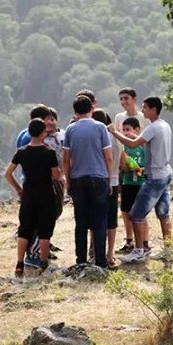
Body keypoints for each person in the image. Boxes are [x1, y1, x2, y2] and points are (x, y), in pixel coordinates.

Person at [109, 96, 172, 264]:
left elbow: (133, 144)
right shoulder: (165, 125)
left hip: (154, 177)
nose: (142, 111)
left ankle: (138, 250)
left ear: (153, 109)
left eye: (144, 108)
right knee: (163, 214)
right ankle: (169, 249)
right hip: (165, 173)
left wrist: (114, 132)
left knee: (136, 215)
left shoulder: (153, 128)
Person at [62, 95, 115, 268]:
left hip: (78, 178)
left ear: (75, 112)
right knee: (100, 221)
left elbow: (66, 159)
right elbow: (108, 157)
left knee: (81, 221)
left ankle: (81, 260)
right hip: (99, 178)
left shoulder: (70, 129)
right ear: (92, 108)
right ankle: (100, 261)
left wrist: (68, 180)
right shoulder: (100, 127)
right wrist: (109, 179)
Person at [3, 118, 61, 277]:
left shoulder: (21, 152)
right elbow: (56, 175)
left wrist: (18, 189)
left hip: (28, 194)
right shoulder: (49, 152)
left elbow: (7, 174)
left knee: (25, 229)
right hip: (46, 194)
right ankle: (43, 263)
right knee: (45, 231)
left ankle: (20, 263)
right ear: (43, 133)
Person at [14, 105, 65, 266]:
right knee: (43, 223)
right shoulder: (46, 149)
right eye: (47, 120)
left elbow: (9, 171)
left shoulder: (23, 141)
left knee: (27, 224)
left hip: (29, 186)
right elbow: (54, 173)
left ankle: (22, 260)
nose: (50, 123)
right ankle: (36, 254)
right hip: (46, 186)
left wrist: (18, 188)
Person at [92, 108, 120, 266]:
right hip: (115, 181)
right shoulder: (116, 137)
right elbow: (122, 161)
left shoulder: (99, 136)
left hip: (102, 181)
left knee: (97, 219)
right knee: (111, 220)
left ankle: (97, 254)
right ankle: (110, 254)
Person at [113, 88, 140, 252]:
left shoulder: (143, 118)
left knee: (140, 207)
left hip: (139, 164)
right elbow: (117, 139)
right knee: (125, 206)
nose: (124, 102)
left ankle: (142, 241)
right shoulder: (119, 118)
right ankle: (129, 239)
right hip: (123, 165)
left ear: (134, 99)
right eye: (121, 99)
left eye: (126, 98)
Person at [118, 116, 146, 253]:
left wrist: (139, 168)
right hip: (127, 183)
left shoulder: (143, 147)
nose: (125, 132)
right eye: (123, 130)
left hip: (140, 184)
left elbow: (147, 166)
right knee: (126, 212)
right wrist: (126, 166)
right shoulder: (123, 148)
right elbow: (121, 167)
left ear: (137, 130)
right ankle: (129, 240)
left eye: (128, 129)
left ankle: (145, 242)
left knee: (141, 214)